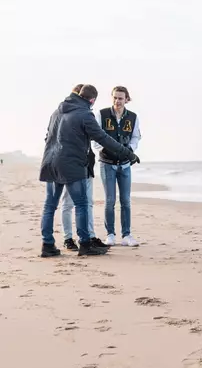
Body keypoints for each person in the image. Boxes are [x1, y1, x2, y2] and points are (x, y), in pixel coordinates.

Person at [39, 84, 140, 258]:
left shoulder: (56, 112)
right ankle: (85, 244)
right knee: (82, 204)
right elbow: (103, 138)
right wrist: (127, 154)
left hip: (50, 162)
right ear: (92, 100)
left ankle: (47, 245)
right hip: (71, 166)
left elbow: (48, 136)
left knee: (50, 205)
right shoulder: (85, 115)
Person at [93, 86, 142, 247]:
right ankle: (110, 235)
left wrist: (130, 150)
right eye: (115, 97)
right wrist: (105, 150)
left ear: (126, 99)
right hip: (107, 163)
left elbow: (136, 137)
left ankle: (127, 235)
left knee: (126, 201)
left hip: (125, 165)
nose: (117, 101)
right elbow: (95, 137)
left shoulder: (133, 117)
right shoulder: (102, 114)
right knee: (109, 200)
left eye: (120, 98)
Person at [60, 84, 106, 251]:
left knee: (87, 203)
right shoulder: (65, 114)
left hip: (87, 163)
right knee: (68, 202)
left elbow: (94, 137)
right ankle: (68, 238)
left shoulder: (85, 114)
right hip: (70, 164)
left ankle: (89, 236)